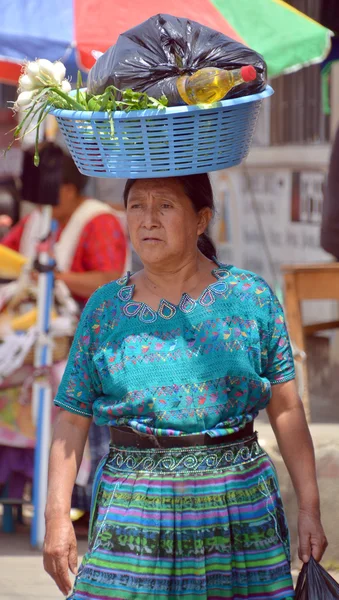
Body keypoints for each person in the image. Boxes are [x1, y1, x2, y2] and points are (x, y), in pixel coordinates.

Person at [44, 174, 327, 600]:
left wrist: (309, 506)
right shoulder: (105, 309)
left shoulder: (251, 298)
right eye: (136, 205)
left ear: (202, 219)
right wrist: (56, 517)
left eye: (165, 206)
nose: (148, 220)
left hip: (238, 511)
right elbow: (71, 420)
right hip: (132, 513)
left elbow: (286, 409)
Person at [1, 147, 129, 529]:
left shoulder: (99, 221)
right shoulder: (37, 221)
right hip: (32, 339)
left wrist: (56, 279)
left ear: (70, 190)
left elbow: (107, 279)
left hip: (89, 340)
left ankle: (83, 497)